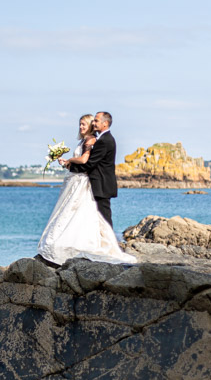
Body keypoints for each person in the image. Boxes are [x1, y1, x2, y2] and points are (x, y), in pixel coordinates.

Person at [36, 113, 136, 266]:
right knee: (92, 216)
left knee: (101, 217)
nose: (93, 123)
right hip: (91, 182)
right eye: (92, 121)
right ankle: (104, 245)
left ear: (105, 123)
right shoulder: (99, 139)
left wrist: (69, 163)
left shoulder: (103, 140)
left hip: (99, 183)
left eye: (95, 121)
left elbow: (88, 163)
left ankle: (108, 247)